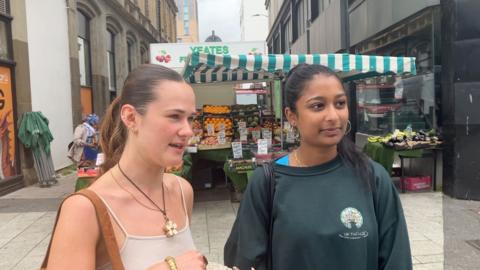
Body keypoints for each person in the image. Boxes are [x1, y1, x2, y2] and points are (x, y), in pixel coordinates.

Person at [224, 64, 412, 270]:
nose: (333, 116)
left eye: (340, 103)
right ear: (291, 116)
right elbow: (243, 260)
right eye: (317, 106)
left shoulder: (373, 177)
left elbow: (397, 261)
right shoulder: (267, 182)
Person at [45, 64, 207, 269]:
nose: (188, 131)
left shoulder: (183, 191)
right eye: (174, 116)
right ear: (131, 118)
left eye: (190, 118)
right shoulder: (83, 209)